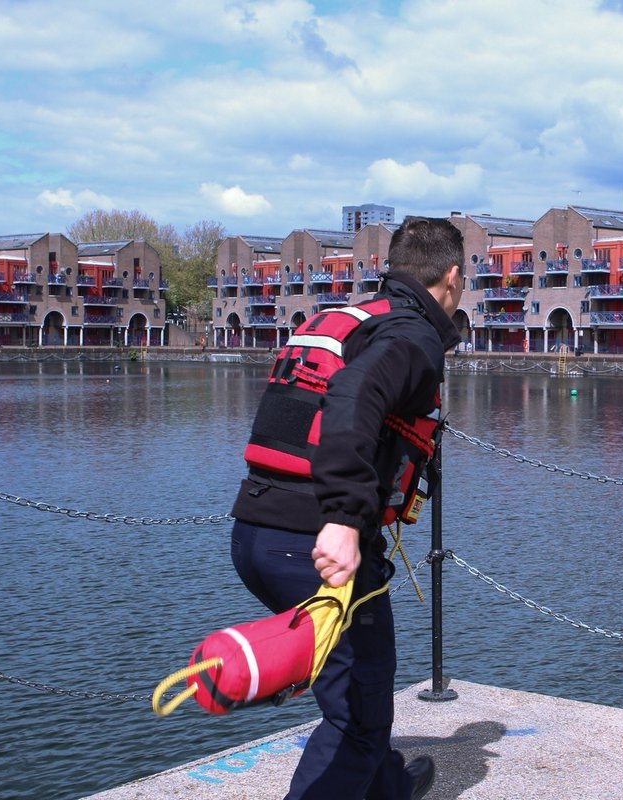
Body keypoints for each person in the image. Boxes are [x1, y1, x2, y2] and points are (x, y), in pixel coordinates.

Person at [229, 216, 464, 800]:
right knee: (357, 718)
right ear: (454, 276)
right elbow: (352, 396)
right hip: (315, 545)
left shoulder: (352, 319)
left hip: (257, 533)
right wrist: (341, 517)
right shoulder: (412, 336)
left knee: (359, 690)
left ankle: (387, 788)